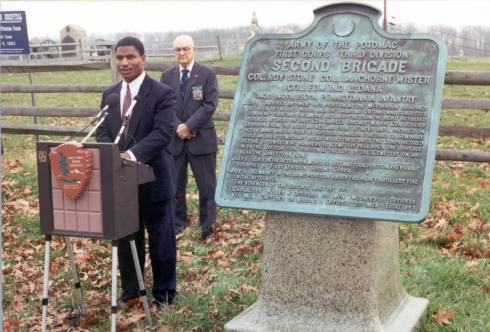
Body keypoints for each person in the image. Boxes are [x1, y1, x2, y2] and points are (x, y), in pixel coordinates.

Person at [96, 36, 177, 308]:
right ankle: (132, 289)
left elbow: (163, 133)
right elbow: (104, 132)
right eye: (119, 58)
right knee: (127, 235)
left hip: (154, 179)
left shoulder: (162, 93)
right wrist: (111, 154)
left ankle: (164, 293)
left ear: (143, 58)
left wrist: (130, 155)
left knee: (161, 238)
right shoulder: (109, 94)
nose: (124, 63)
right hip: (120, 183)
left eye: (131, 57)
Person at [160, 35, 219, 240]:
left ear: (194, 50)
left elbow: (209, 105)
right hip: (176, 140)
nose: (182, 53)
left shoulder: (207, 74)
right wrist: (179, 127)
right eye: (177, 50)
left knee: (207, 186)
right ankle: (178, 224)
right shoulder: (167, 76)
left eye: (185, 49)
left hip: (201, 139)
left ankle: (208, 226)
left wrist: (190, 126)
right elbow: (164, 105)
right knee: (175, 185)